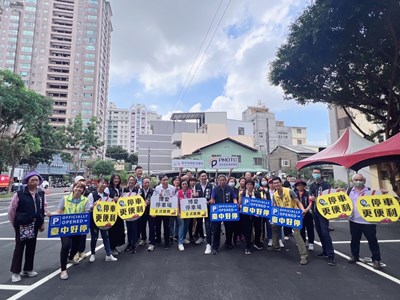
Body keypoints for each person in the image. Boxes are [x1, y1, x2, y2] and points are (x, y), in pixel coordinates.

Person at [47, 181, 90, 280]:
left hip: (78, 229)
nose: (78, 189)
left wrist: (91, 209)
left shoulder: (85, 200)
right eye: (76, 187)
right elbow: (59, 211)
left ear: (83, 190)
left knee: (76, 247)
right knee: (65, 246)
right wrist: (51, 214)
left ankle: (71, 258)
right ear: (73, 188)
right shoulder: (65, 199)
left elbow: (87, 213)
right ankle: (63, 270)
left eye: (81, 188)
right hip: (65, 228)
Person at [8, 171, 46, 283]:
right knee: (19, 247)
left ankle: (28, 269)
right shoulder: (19, 194)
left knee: (31, 246)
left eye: (37, 180)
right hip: (22, 225)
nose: (35, 182)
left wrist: (41, 222)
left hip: (34, 224)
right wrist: (15, 223)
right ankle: (15, 272)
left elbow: (43, 208)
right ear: (27, 181)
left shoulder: (40, 193)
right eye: (32, 180)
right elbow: (12, 210)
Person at [268, 177, 308, 265]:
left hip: (293, 215)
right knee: (274, 227)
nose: (276, 184)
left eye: (277, 182)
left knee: (296, 233)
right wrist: (273, 216)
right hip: (282, 215)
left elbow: (298, 202)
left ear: (281, 183)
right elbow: (275, 205)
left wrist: (302, 209)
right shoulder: (274, 195)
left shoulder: (289, 191)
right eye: (274, 183)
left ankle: (303, 255)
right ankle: (276, 246)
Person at [347, 174, 382, 270]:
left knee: (372, 240)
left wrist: (383, 194)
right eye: (356, 179)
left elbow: (379, 202)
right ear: (352, 181)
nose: (358, 181)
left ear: (364, 181)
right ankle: (355, 255)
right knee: (354, 239)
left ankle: (376, 259)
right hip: (354, 220)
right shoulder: (349, 191)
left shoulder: (370, 191)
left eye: (360, 179)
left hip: (369, 221)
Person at [309, 167, 336, 266]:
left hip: (324, 213)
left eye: (317, 173)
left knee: (325, 233)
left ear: (321, 174)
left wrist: (316, 199)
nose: (315, 174)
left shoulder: (326, 185)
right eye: (314, 172)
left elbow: (329, 198)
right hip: (315, 212)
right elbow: (310, 197)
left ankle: (331, 255)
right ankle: (324, 251)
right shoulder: (312, 185)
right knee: (319, 232)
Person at [87, 178, 117, 262]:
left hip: (104, 219)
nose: (104, 185)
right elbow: (88, 208)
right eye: (102, 183)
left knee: (106, 237)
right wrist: (93, 205)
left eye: (105, 184)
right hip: (94, 220)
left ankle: (108, 254)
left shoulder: (106, 195)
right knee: (94, 238)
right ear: (98, 183)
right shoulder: (92, 195)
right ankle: (92, 254)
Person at [209, 174, 238, 255]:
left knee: (229, 228)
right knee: (216, 230)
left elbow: (234, 198)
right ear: (218, 181)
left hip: (228, 211)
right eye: (220, 180)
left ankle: (228, 243)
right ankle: (215, 247)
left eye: (223, 180)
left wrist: (236, 204)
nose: (222, 181)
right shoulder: (215, 189)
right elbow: (212, 198)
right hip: (218, 212)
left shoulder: (230, 188)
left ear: (226, 180)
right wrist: (211, 201)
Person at [193, 170, 214, 254]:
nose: (204, 177)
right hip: (199, 208)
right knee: (199, 223)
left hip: (208, 208)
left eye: (205, 176)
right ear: (199, 178)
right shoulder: (196, 185)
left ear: (207, 177)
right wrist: (194, 196)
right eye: (202, 176)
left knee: (208, 225)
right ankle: (201, 237)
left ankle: (208, 244)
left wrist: (211, 201)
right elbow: (194, 197)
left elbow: (213, 197)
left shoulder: (211, 186)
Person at [241, 180, 264, 254]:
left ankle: (257, 243)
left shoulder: (257, 194)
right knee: (247, 231)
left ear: (253, 186)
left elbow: (261, 203)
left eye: (251, 184)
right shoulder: (243, 193)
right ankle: (247, 246)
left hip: (256, 215)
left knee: (258, 229)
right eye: (248, 184)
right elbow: (239, 203)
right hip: (246, 216)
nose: (249, 186)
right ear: (246, 186)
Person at [154, 174, 175, 249]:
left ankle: (167, 242)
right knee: (158, 226)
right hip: (159, 210)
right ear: (160, 181)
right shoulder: (157, 188)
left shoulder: (172, 188)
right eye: (164, 180)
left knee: (167, 226)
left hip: (167, 210)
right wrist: (158, 196)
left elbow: (174, 198)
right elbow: (154, 198)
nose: (166, 181)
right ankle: (158, 240)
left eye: (167, 179)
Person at [105, 174, 125, 256]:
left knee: (119, 230)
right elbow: (104, 200)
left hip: (119, 212)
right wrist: (113, 199)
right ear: (112, 179)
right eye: (115, 178)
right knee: (112, 231)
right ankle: (111, 248)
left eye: (118, 178)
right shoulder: (108, 189)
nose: (116, 180)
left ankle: (115, 246)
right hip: (111, 212)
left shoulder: (120, 189)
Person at [294, 179, 314, 251]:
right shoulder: (294, 194)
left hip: (307, 213)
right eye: (298, 185)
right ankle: (303, 241)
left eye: (301, 185)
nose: (300, 186)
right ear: (296, 187)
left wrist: (306, 210)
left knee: (310, 228)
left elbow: (311, 202)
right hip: (298, 214)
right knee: (301, 229)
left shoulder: (308, 193)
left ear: (304, 186)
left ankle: (311, 243)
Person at [123, 175, 139, 253]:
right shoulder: (125, 189)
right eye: (130, 180)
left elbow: (140, 200)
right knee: (129, 229)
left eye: (133, 180)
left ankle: (134, 245)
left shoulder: (137, 189)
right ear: (128, 181)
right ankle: (129, 244)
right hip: (127, 212)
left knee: (134, 229)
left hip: (135, 212)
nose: (131, 182)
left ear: (135, 182)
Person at [138, 178, 155, 252]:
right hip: (142, 212)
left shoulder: (153, 191)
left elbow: (156, 200)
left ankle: (152, 243)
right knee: (142, 226)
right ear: (142, 183)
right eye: (145, 182)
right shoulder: (139, 191)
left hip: (151, 212)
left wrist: (150, 202)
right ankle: (143, 239)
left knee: (151, 227)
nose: (147, 184)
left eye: (148, 182)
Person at [177, 180, 192, 251]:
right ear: (181, 185)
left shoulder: (190, 192)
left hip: (188, 212)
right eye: (183, 184)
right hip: (180, 212)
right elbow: (176, 203)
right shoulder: (178, 192)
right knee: (181, 226)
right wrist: (178, 212)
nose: (184, 185)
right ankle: (180, 243)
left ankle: (183, 238)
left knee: (186, 226)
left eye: (185, 184)